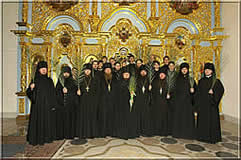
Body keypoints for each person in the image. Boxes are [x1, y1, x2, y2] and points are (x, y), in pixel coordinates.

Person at [26, 61, 56, 145]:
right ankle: (37, 138)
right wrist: (31, 89)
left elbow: (53, 93)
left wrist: (53, 105)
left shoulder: (49, 80)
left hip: (47, 106)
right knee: (37, 122)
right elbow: (28, 93)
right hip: (37, 107)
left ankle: (47, 138)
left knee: (47, 122)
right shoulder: (34, 80)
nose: (44, 70)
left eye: (45, 68)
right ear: (39, 70)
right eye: (42, 69)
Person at [196, 63, 224, 144]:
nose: (207, 71)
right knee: (203, 121)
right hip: (203, 105)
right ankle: (202, 136)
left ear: (212, 71)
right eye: (206, 70)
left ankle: (212, 138)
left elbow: (221, 91)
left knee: (212, 122)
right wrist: (197, 104)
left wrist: (214, 92)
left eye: (208, 70)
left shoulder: (216, 81)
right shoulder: (201, 81)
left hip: (211, 106)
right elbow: (198, 93)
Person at [172, 62, 196, 139]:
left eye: (185, 69)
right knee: (179, 118)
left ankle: (187, 134)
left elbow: (196, 91)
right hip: (179, 103)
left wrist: (193, 91)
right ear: (181, 70)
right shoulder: (177, 79)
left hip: (188, 103)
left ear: (188, 70)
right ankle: (178, 133)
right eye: (183, 69)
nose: (184, 70)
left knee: (187, 118)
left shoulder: (191, 80)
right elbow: (174, 91)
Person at [76, 63, 99, 138]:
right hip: (83, 101)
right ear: (84, 71)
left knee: (91, 117)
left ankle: (91, 133)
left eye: (89, 70)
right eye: (86, 70)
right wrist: (78, 92)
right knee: (84, 117)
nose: (87, 72)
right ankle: (84, 133)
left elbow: (97, 92)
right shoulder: (80, 81)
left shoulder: (94, 80)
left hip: (92, 102)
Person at [97, 63, 120, 137]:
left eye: (109, 69)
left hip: (113, 101)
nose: (108, 70)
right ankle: (104, 132)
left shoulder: (115, 78)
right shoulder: (100, 78)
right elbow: (98, 90)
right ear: (104, 70)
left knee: (112, 116)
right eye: (106, 69)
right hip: (103, 101)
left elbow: (117, 89)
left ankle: (112, 132)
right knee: (104, 116)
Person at [55, 65, 77, 139]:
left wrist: (68, 92)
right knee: (61, 121)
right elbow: (56, 92)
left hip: (70, 105)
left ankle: (70, 135)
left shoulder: (72, 81)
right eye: (64, 73)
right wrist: (62, 91)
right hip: (61, 105)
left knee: (69, 120)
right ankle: (61, 135)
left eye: (67, 72)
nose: (66, 74)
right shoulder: (60, 81)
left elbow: (75, 93)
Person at [132, 65, 151, 137]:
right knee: (138, 115)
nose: (143, 72)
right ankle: (138, 130)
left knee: (145, 115)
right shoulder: (137, 79)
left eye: (144, 71)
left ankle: (144, 130)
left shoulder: (149, 79)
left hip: (146, 100)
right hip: (138, 100)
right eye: (142, 71)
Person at [150, 68, 169, 136]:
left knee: (163, 117)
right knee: (156, 117)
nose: (161, 75)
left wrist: (169, 95)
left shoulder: (168, 83)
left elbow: (172, 92)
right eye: (160, 74)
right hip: (156, 102)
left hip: (164, 103)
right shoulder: (155, 82)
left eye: (163, 74)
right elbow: (152, 92)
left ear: (165, 75)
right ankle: (156, 130)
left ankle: (163, 131)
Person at [116, 67, 132, 139]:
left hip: (130, 104)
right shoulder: (119, 82)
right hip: (120, 104)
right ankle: (120, 133)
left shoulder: (132, 82)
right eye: (125, 74)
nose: (126, 75)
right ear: (122, 75)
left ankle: (129, 132)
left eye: (127, 74)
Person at [166, 61, 178, 135]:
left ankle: (172, 128)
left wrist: (171, 92)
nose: (171, 67)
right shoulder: (165, 73)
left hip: (174, 95)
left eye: (172, 65)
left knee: (172, 112)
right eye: (170, 65)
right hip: (165, 94)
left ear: (174, 66)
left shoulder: (177, 75)